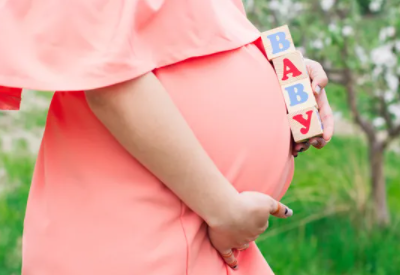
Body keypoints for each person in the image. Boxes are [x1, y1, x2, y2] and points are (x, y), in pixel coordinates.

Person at [0, 0, 333, 274]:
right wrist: (225, 210)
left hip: (206, 226)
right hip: (150, 227)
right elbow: (111, 82)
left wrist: (280, 70)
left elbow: (180, 27)